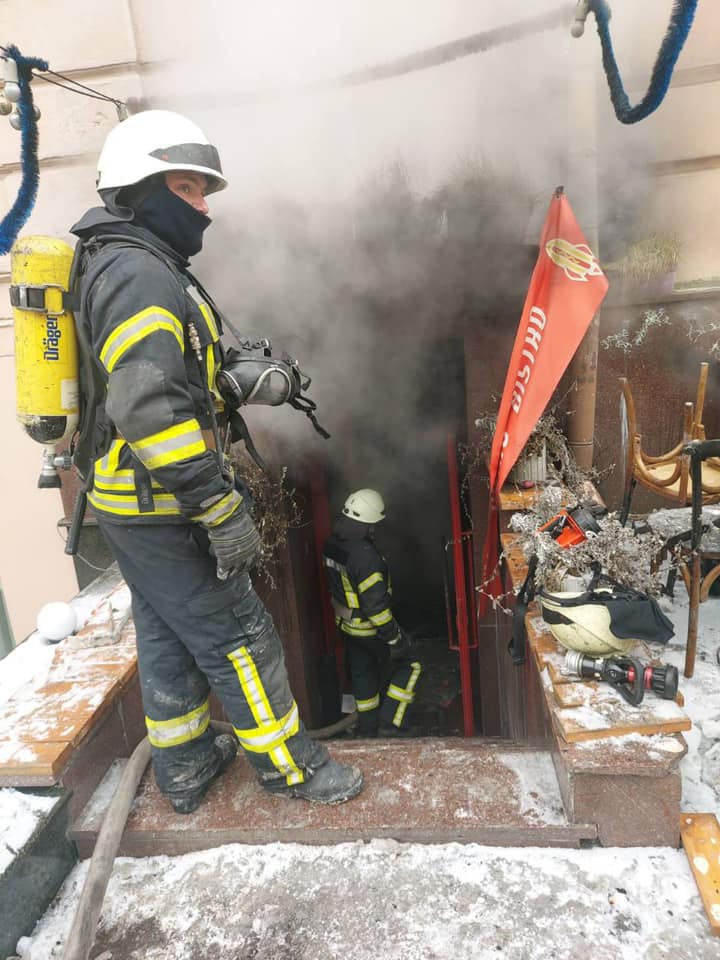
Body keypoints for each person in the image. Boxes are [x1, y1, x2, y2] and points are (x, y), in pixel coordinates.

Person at [70, 109, 362, 813]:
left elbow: (162, 381)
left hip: (131, 503)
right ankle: (292, 768)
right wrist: (218, 504)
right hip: (164, 504)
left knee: (167, 631)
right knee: (239, 634)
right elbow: (149, 410)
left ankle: (186, 762)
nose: (203, 207)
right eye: (187, 188)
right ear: (139, 190)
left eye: (204, 191)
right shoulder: (140, 275)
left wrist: (234, 380)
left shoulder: (128, 262)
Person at [322, 489, 422, 737]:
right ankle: (392, 726)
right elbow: (376, 609)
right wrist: (395, 638)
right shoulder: (366, 558)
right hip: (369, 629)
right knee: (411, 664)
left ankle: (368, 731)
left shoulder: (332, 544)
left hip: (346, 627)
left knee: (363, 674)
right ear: (368, 524)